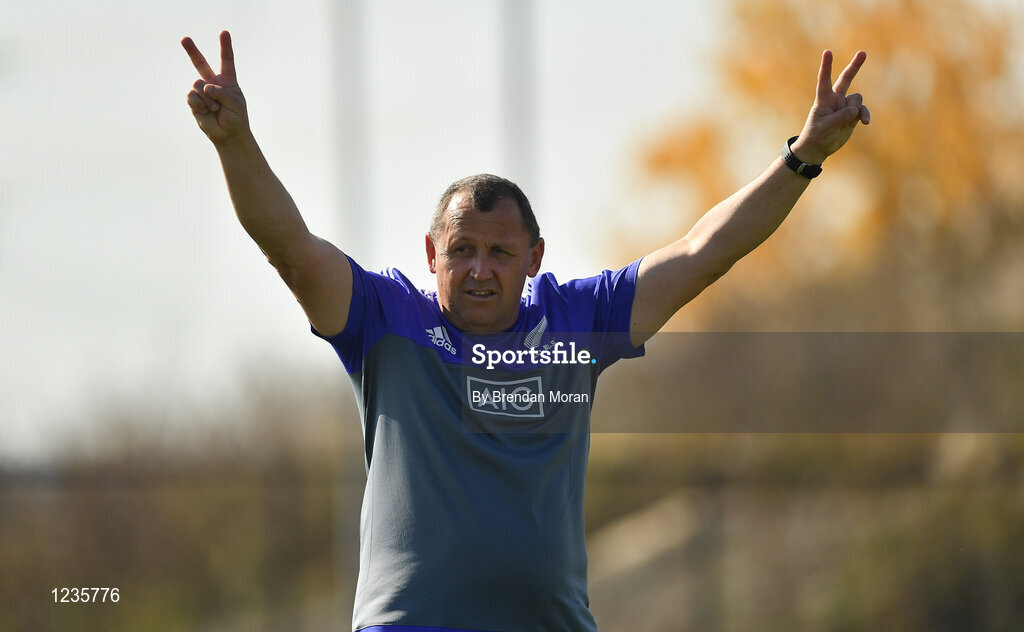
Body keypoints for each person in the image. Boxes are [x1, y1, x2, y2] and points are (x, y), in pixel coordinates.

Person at [182, 30, 869, 632]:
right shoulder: (386, 320)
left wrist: (803, 157)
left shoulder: (575, 320)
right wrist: (236, 143)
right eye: (461, 251)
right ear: (431, 257)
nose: (479, 270)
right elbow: (292, 249)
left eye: (500, 253)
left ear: (533, 258)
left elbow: (700, 252)